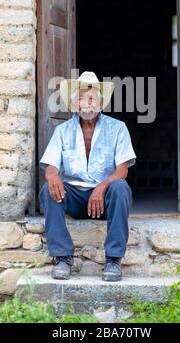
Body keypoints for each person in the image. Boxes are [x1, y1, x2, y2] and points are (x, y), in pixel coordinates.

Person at [39, 71, 136, 281]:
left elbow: (122, 169)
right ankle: (62, 257)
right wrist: (52, 174)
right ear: (75, 104)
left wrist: (102, 187)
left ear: (100, 103)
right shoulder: (62, 131)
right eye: (82, 97)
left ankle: (113, 260)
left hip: (104, 198)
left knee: (120, 187)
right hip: (74, 199)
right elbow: (51, 165)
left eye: (92, 97)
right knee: (49, 188)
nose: (87, 102)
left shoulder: (118, 128)